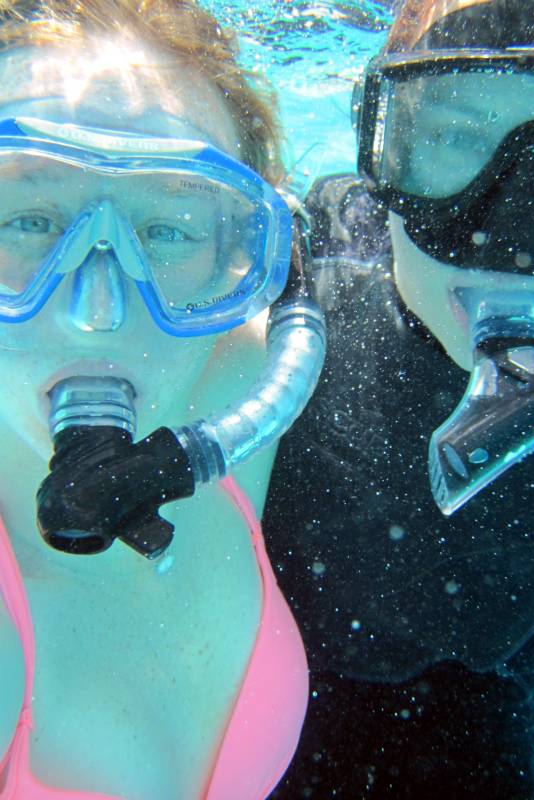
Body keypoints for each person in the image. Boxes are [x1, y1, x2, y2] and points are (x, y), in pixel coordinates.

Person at [265, 0, 534, 797]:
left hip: (490, 742)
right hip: (246, 750)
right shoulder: (271, 341)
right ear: (380, 146)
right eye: (456, 136)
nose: (521, 230)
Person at [0, 1, 327, 798]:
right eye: (30, 219)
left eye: (171, 229)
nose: (97, 312)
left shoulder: (240, 381)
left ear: (242, 260)